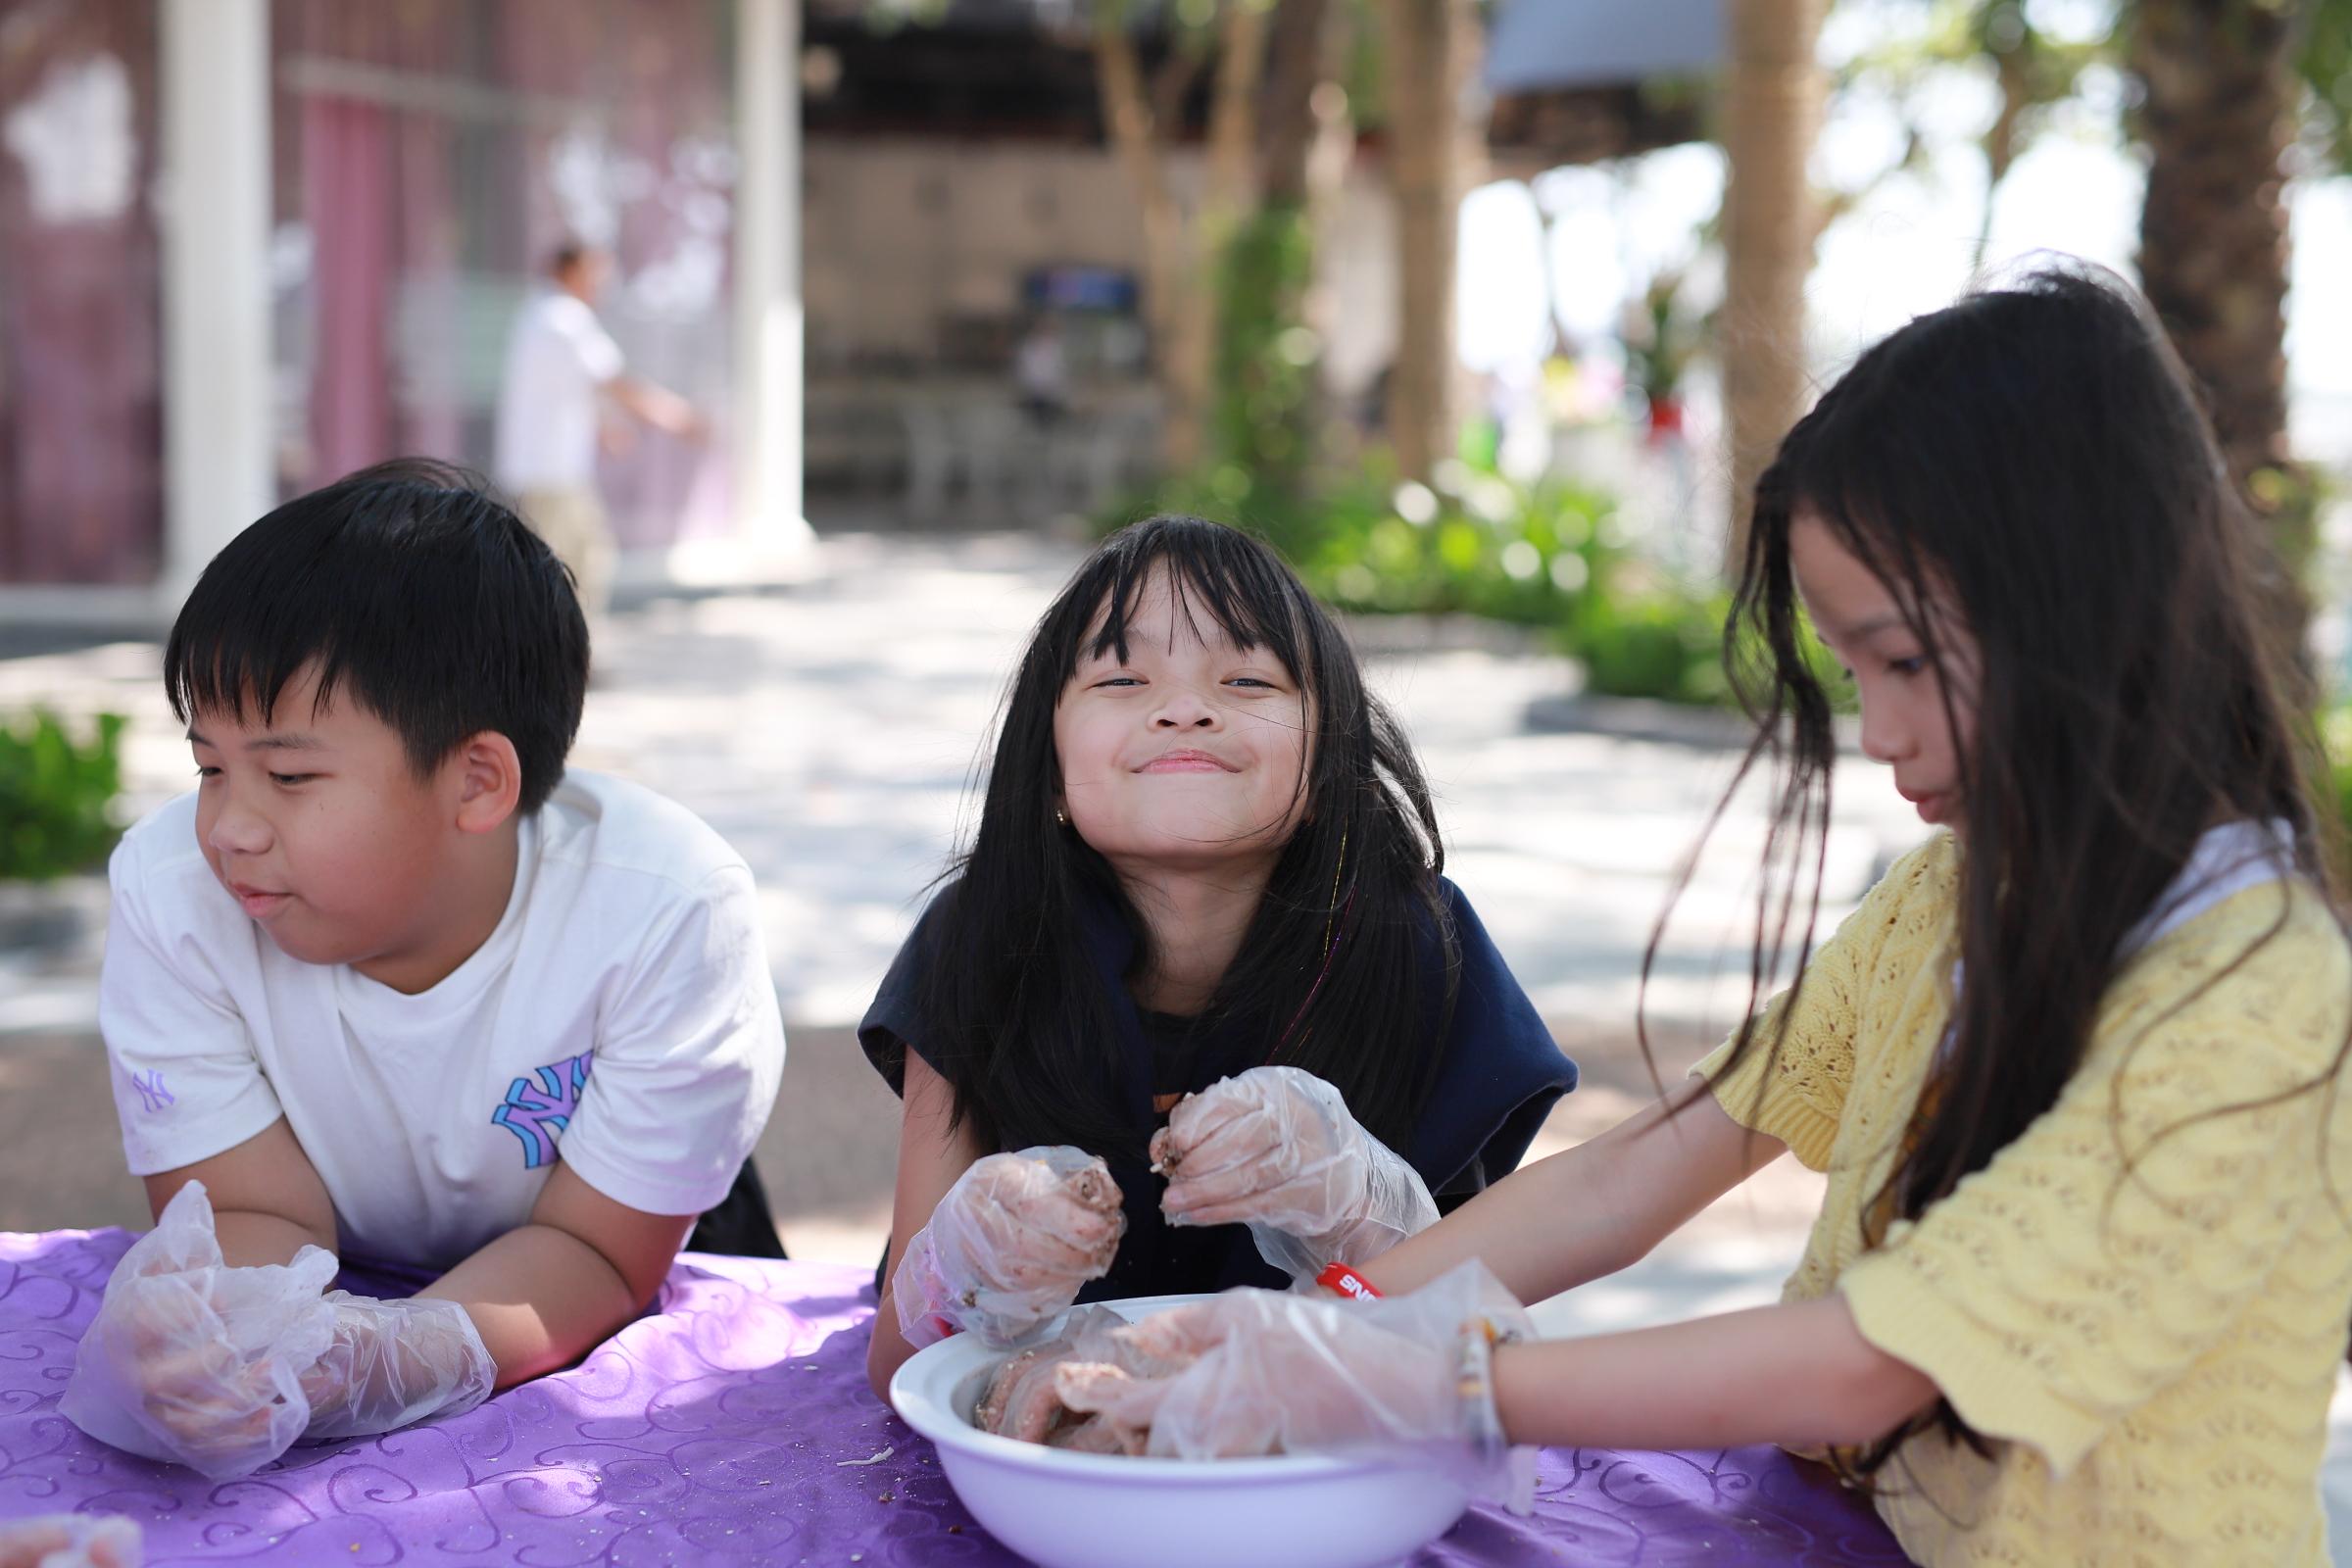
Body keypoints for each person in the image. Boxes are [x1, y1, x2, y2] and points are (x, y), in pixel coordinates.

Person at [1068, 271, 2352, 1564]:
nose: (1878, 733)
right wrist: (1326, 1319)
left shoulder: (2256, 1003)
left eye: (1905, 661)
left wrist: (1421, 1380)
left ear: (2092, 600)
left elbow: (1872, 1363)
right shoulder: (1944, 902)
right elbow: (1638, 1172)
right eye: (1851, 672)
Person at [62, 461, 787, 1480]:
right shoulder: (174, 893)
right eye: (209, 767)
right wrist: (236, 1345)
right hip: (341, 1266)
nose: (228, 829)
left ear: (478, 780)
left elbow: (597, 1253)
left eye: (289, 775)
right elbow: (250, 1211)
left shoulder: (667, 913)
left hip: (615, 1262)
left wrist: (385, 1357)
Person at [859, 514, 1577, 1399]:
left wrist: (1362, 1205)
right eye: (1123, 678)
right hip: (1045, 1428)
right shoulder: (980, 937)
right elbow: (898, 1364)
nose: (1184, 709)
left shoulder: (1417, 941)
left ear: (1327, 759)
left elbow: (1466, 1329)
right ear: (1047, 764)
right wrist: (963, 1265)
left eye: (1246, 679)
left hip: (1324, 1425)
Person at [491, 240, 704, 621]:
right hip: (550, 473)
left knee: (570, 562)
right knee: (574, 563)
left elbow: (571, 385)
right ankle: (562, 647)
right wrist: (679, 418)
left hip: (546, 470)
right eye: (596, 274)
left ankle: (564, 644)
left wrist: (606, 425)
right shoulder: (564, 318)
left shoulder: (538, 314)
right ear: (571, 271)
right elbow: (616, 383)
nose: (602, 285)